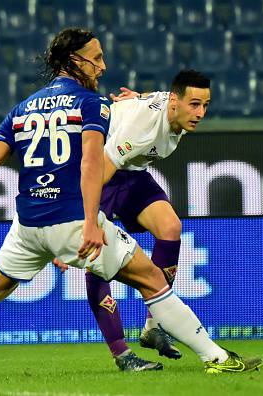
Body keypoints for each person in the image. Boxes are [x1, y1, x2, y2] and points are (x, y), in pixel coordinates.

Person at [0, 28, 263, 379]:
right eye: (96, 58)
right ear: (74, 61)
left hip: (27, 223)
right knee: (152, 279)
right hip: (71, 217)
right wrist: (91, 222)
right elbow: (92, 162)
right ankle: (216, 358)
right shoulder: (91, 104)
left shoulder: (22, 108)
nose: (102, 66)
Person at [55, 70, 213, 371]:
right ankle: (121, 352)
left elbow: (153, 96)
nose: (200, 113)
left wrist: (134, 98)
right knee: (98, 256)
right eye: (194, 104)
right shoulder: (143, 129)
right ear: (176, 102)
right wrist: (77, 221)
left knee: (170, 227)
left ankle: (154, 326)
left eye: (205, 105)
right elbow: (102, 166)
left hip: (132, 172)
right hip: (98, 169)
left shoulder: (170, 105)